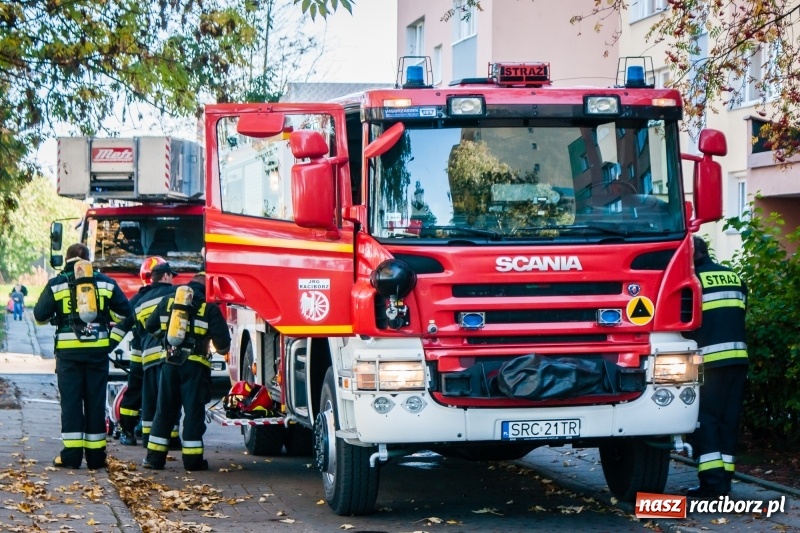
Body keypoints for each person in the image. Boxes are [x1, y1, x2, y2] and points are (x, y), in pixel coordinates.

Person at [33, 243, 130, 469]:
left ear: (67, 259)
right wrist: (109, 333)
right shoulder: (105, 282)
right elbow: (125, 313)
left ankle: (71, 456)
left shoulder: (57, 283)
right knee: (96, 402)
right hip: (97, 353)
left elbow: (39, 316)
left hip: (68, 356)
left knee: (71, 403)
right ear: (88, 259)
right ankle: (96, 458)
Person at [143, 273, 230, 471]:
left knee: (164, 411)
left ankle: (154, 460)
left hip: (169, 364)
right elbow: (223, 345)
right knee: (193, 413)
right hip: (195, 367)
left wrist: (165, 340)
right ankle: (192, 462)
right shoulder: (208, 308)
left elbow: (150, 326)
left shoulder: (168, 301)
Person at [685, 236, 749, 498]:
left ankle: (711, 484)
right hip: (737, 359)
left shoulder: (691, 281)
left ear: (692, 255)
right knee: (728, 419)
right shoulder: (732, 276)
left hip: (704, 360)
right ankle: (725, 480)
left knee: (705, 420)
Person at [115, 256, 166, 446]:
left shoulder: (137, 299)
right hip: (160, 356)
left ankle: (127, 430)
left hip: (139, 356)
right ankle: (154, 433)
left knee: (135, 393)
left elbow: (122, 326)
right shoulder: (170, 294)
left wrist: (105, 348)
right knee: (158, 394)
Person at [137, 260, 181, 449]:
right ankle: (171, 439)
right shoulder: (174, 294)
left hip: (147, 357)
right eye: (171, 276)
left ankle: (148, 439)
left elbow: (139, 331)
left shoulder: (141, 301)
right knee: (169, 399)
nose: (172, 279)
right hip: (168, 356)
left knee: (149, 400)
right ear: (165, 276)